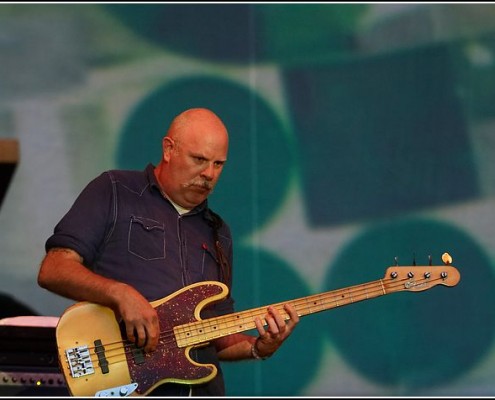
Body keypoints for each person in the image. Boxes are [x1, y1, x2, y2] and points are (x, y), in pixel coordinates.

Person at [37, 107, 299, 396]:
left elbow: (216, 335)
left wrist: (257, 348)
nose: (209, 174)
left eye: (218, 164)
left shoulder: (218, 232)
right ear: (169, 148)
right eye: (199, 159)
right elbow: (54, 269)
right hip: (125, 385)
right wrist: (120, 294)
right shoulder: (114, 190)